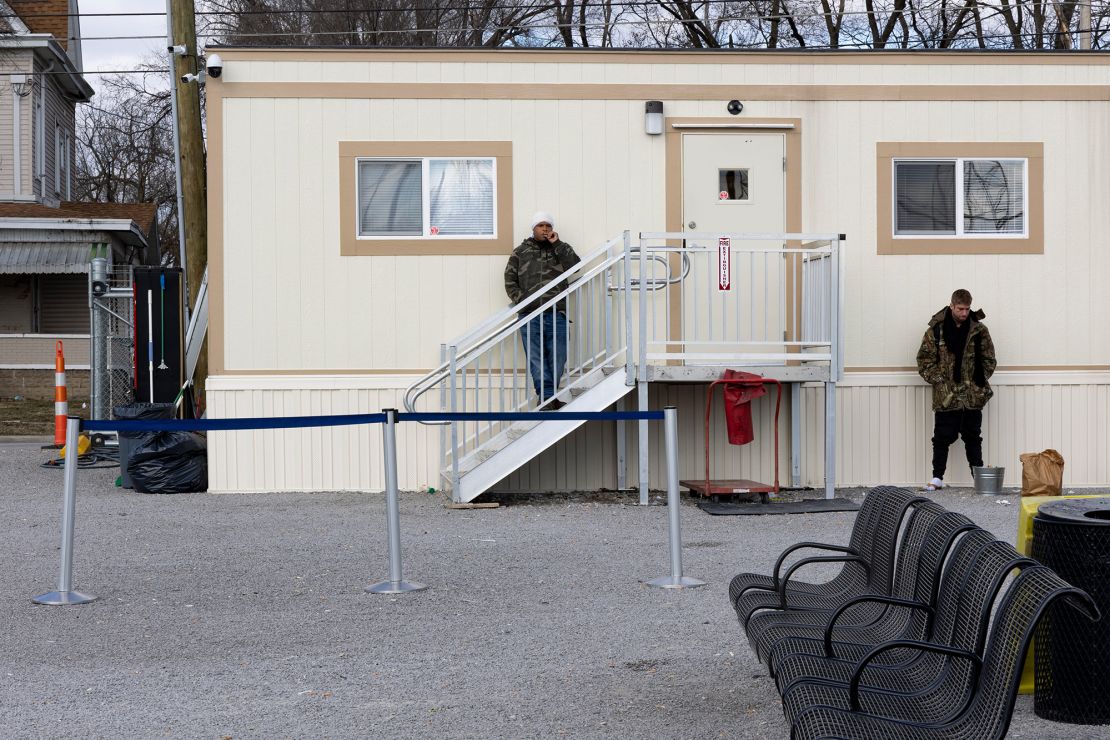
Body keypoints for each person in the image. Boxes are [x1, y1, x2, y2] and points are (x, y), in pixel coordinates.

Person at [916, 289, 997, 491]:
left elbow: (990, 359)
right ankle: (937, 478)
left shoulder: (979, 330)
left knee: (973, 437)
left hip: (972, 396)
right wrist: (940, 381)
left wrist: (978, 380)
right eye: (960, 308)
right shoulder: (936, 330)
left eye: (967, 309)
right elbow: (924, 361)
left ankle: (978, 478)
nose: (963, 313)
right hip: (946, 396)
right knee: (942, 437)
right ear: (951, 306)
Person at [504, 211, 581, 410]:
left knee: (558, 357)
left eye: (548, 225)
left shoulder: (561, 249)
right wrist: (524, 302)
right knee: (537, 358)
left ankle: (548, 398)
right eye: (540, 225)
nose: (545, 229)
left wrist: (558, 244)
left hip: (556, 313)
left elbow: (575, 266)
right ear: (533, 228)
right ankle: (547, 398)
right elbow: (510, 281)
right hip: (530, 315)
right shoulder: (520, 252)